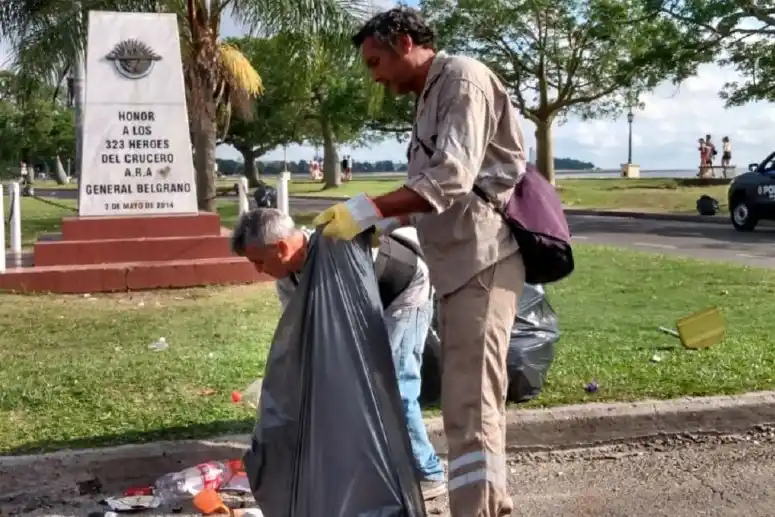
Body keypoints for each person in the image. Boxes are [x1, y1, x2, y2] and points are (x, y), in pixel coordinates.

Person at [312, 8, 526, 517]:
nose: (376, 76)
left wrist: (367, 209)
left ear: (405, 41)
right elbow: (428, 194)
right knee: (469, 407)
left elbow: (450, 178)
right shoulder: (432, 92)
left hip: (483, 261)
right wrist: (372, 225)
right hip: (456, 268)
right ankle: (489, 506)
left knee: (470, 407)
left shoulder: (463, 80)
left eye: (376, 61)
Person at [231, 207, 447, 501]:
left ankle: (428, 472)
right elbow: (301, 333)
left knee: (394, 386)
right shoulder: (286, 280)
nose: (258, 270)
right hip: (368, 302)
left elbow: (350, 328)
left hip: (405, 291)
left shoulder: (335, 247)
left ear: (280, 248)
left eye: (258, 261)